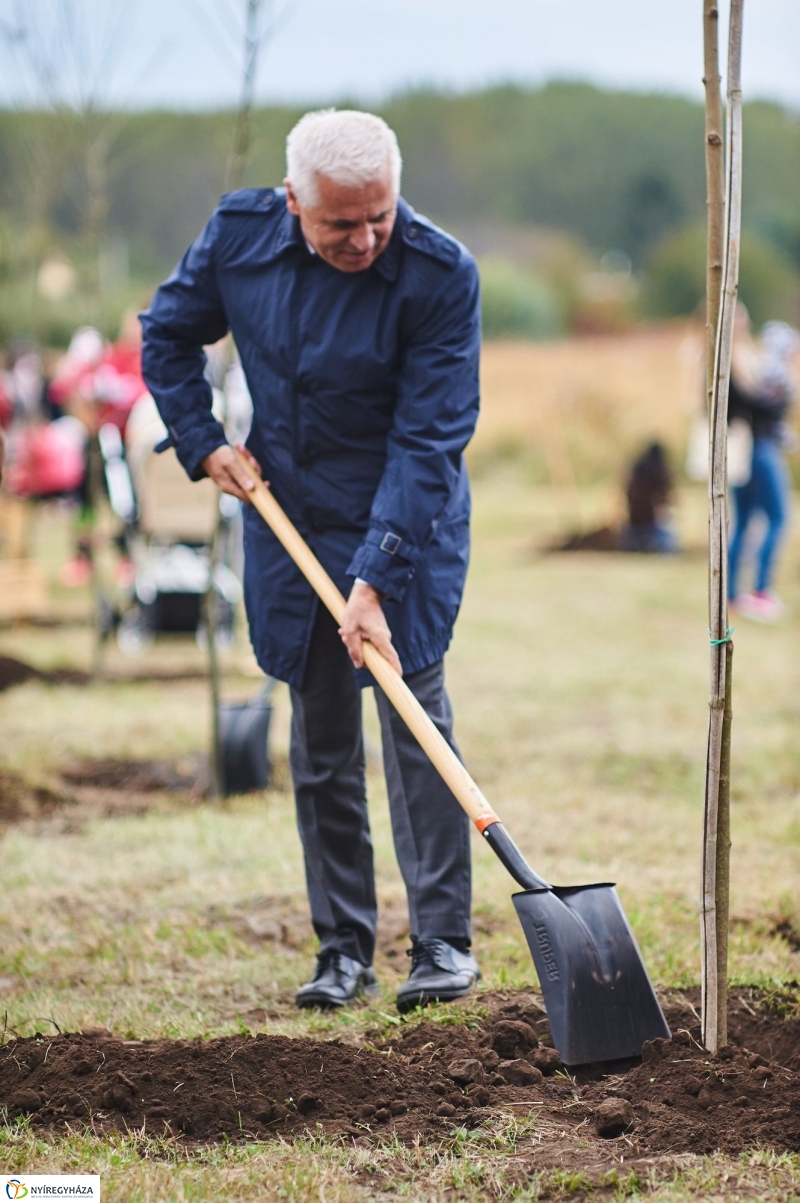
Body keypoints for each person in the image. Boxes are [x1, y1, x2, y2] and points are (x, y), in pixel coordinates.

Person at [140, 109, 482, 1013]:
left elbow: (428, 442)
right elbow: (166, 335)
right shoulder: (239, 237)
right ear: (294, 202)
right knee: (321, 728)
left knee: (415, 721)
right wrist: (202, 441)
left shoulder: (441, 274)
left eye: (381, 216)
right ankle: (344, 948)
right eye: (342, 223)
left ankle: (442, 942)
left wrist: (375, 579)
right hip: (286, 507)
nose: (367, 238)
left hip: (406, 514)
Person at [728, 319, 799, 621]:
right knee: (779, 517)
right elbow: (771, 414)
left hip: (745, 450)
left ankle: (732, 593)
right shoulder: (775, 374)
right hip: (763, 451)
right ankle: (760, 589)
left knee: (743, 522)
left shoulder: (749, 366)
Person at [619, 441, 678, 554]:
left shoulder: (637, 476)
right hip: (646, 529)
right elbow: (667, 501)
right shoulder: (654, 477)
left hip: (635, 529)